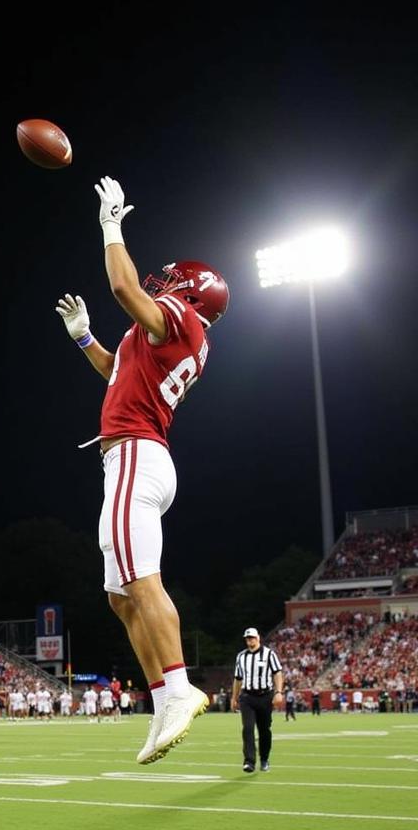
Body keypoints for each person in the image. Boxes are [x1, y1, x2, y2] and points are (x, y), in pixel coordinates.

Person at [55, 174, 229, 766]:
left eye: (179, 283)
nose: (168, 284)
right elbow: (117, 373)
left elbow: (127, 286)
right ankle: (162, 698)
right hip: (135, 456)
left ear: (194, 298)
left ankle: (180, 687)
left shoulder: (180, 322)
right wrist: (84, 340)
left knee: (141, 580)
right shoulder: (168, 336)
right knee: (119, 596)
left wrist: (111, 226)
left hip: (135, 453)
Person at [231, 627, 284, 772]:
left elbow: (277, 673)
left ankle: (264, 758)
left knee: (264, 730)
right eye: (248, 638)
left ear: (258, 638)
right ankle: (249, 761)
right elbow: (238, 678)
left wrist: (278, 691)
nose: (250, 641)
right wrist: (234, 697)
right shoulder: (241, 656)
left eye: (252, 638)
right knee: (247, 728)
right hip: (247, 697)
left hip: (265, 696)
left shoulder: (269, 654)